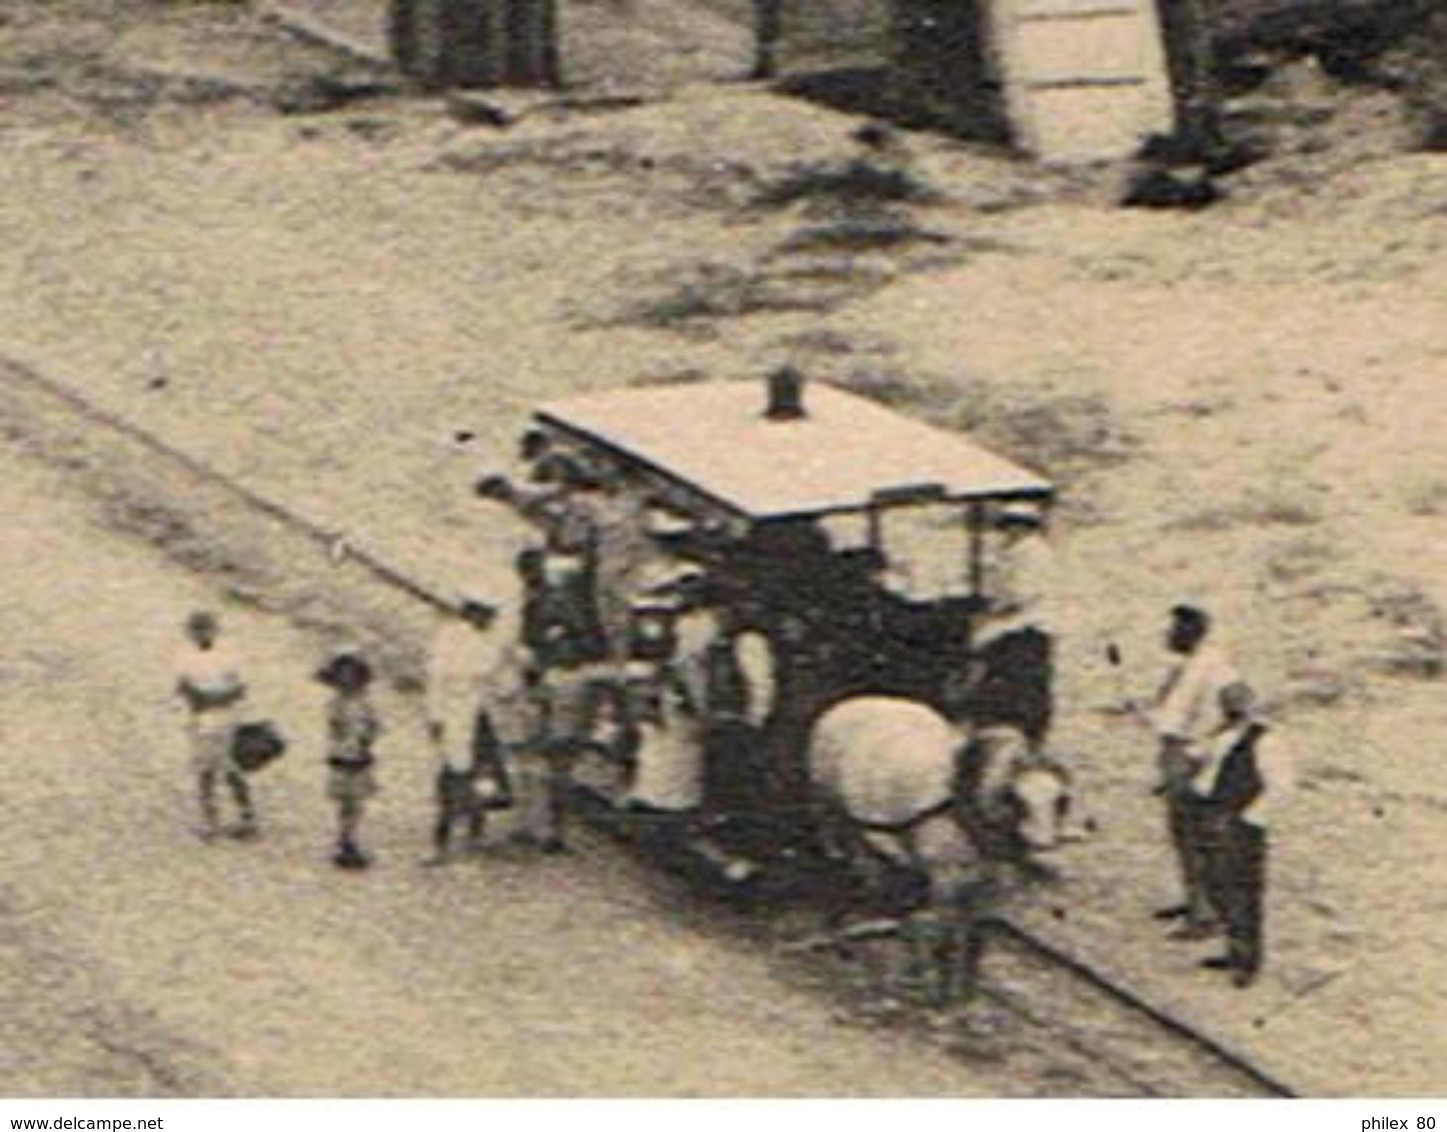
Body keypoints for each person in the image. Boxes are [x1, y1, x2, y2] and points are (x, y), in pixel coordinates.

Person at [1140, 603, 1240, 936]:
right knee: (1191, 834)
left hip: (1192, 756)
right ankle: (1198, 901)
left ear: (1188, 632)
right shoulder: (1201, 666)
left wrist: (1194, 756)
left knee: (1194, 834)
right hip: (1190, 753)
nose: (1166, 636)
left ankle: (1205, 912)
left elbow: (1228, 715)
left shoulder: (1205, 670)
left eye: (1172, 630)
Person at [1196, 682, 1291, 986]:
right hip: (1216, 815)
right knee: (1217, 884)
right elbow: (1207, 770)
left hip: (1240, 824)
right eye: (1227, 705)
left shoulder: (1267, 741)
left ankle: (1247, 961)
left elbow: (1281, 787)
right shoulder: (1223, 735)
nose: (1231, 711)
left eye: (1237, 706)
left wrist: (1249, 819)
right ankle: (1233, 949)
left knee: (1243, 892)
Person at [424, 593, 522, 864]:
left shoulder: (493, 642)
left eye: (489, 614)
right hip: (456, 712)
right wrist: (436, 716)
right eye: (481, 613)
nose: (485, 619)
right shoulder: (449, 638)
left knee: (484, 773)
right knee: (454, 774)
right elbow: (436, 679)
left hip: (484, 713)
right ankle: (441, 838)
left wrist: (509, 684)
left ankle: (475, 833)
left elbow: (505, 683)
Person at [972, 501, 1059, 754]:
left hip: (1024, 629)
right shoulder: (1015, 553)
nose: (1009, 531)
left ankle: (1020, 733)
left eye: (1014, 525)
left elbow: (1019, 595)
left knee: (1018, 686)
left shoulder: (1030, 553)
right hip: (1018, 626)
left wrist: (992, 607)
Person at [176, 610, 256, 841]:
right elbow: (184, 688)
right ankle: (210, 819)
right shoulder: (185, 658)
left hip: (226, 719)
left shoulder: (228, 657)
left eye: (206, 629)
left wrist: (211, 699)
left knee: (231, 768)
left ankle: (247, 816)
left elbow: (239, 689)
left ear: (215, 630)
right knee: (205, 771)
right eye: (196, 630)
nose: (202, 634)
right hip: (202, 721)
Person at [317, 650, 381, 870]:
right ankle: (347, 840)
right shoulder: (336, 704)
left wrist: (366, 738)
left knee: (356, 802)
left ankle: (348, 839)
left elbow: (375, 726)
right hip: (342, 755)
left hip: (360, 755)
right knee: (348, 802)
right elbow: (334, 728)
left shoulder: (365, 703)